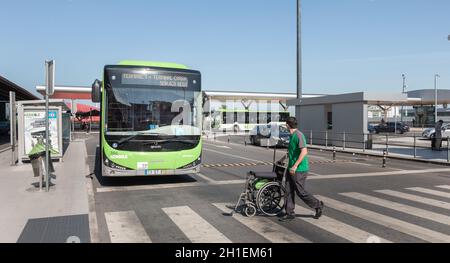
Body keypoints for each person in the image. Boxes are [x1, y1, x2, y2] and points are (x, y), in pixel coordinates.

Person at [279, 117, 324, 222]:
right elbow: (291, 152)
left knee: (300, 192)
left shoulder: (299, 135)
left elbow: (304, 151)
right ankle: (289, 213)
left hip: (299, 169)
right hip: (291, 168)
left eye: (286, 125)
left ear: (287, 125)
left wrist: (295, 166)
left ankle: (318, 205)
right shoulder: (292, 136)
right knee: (288, 191)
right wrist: (282, 160)